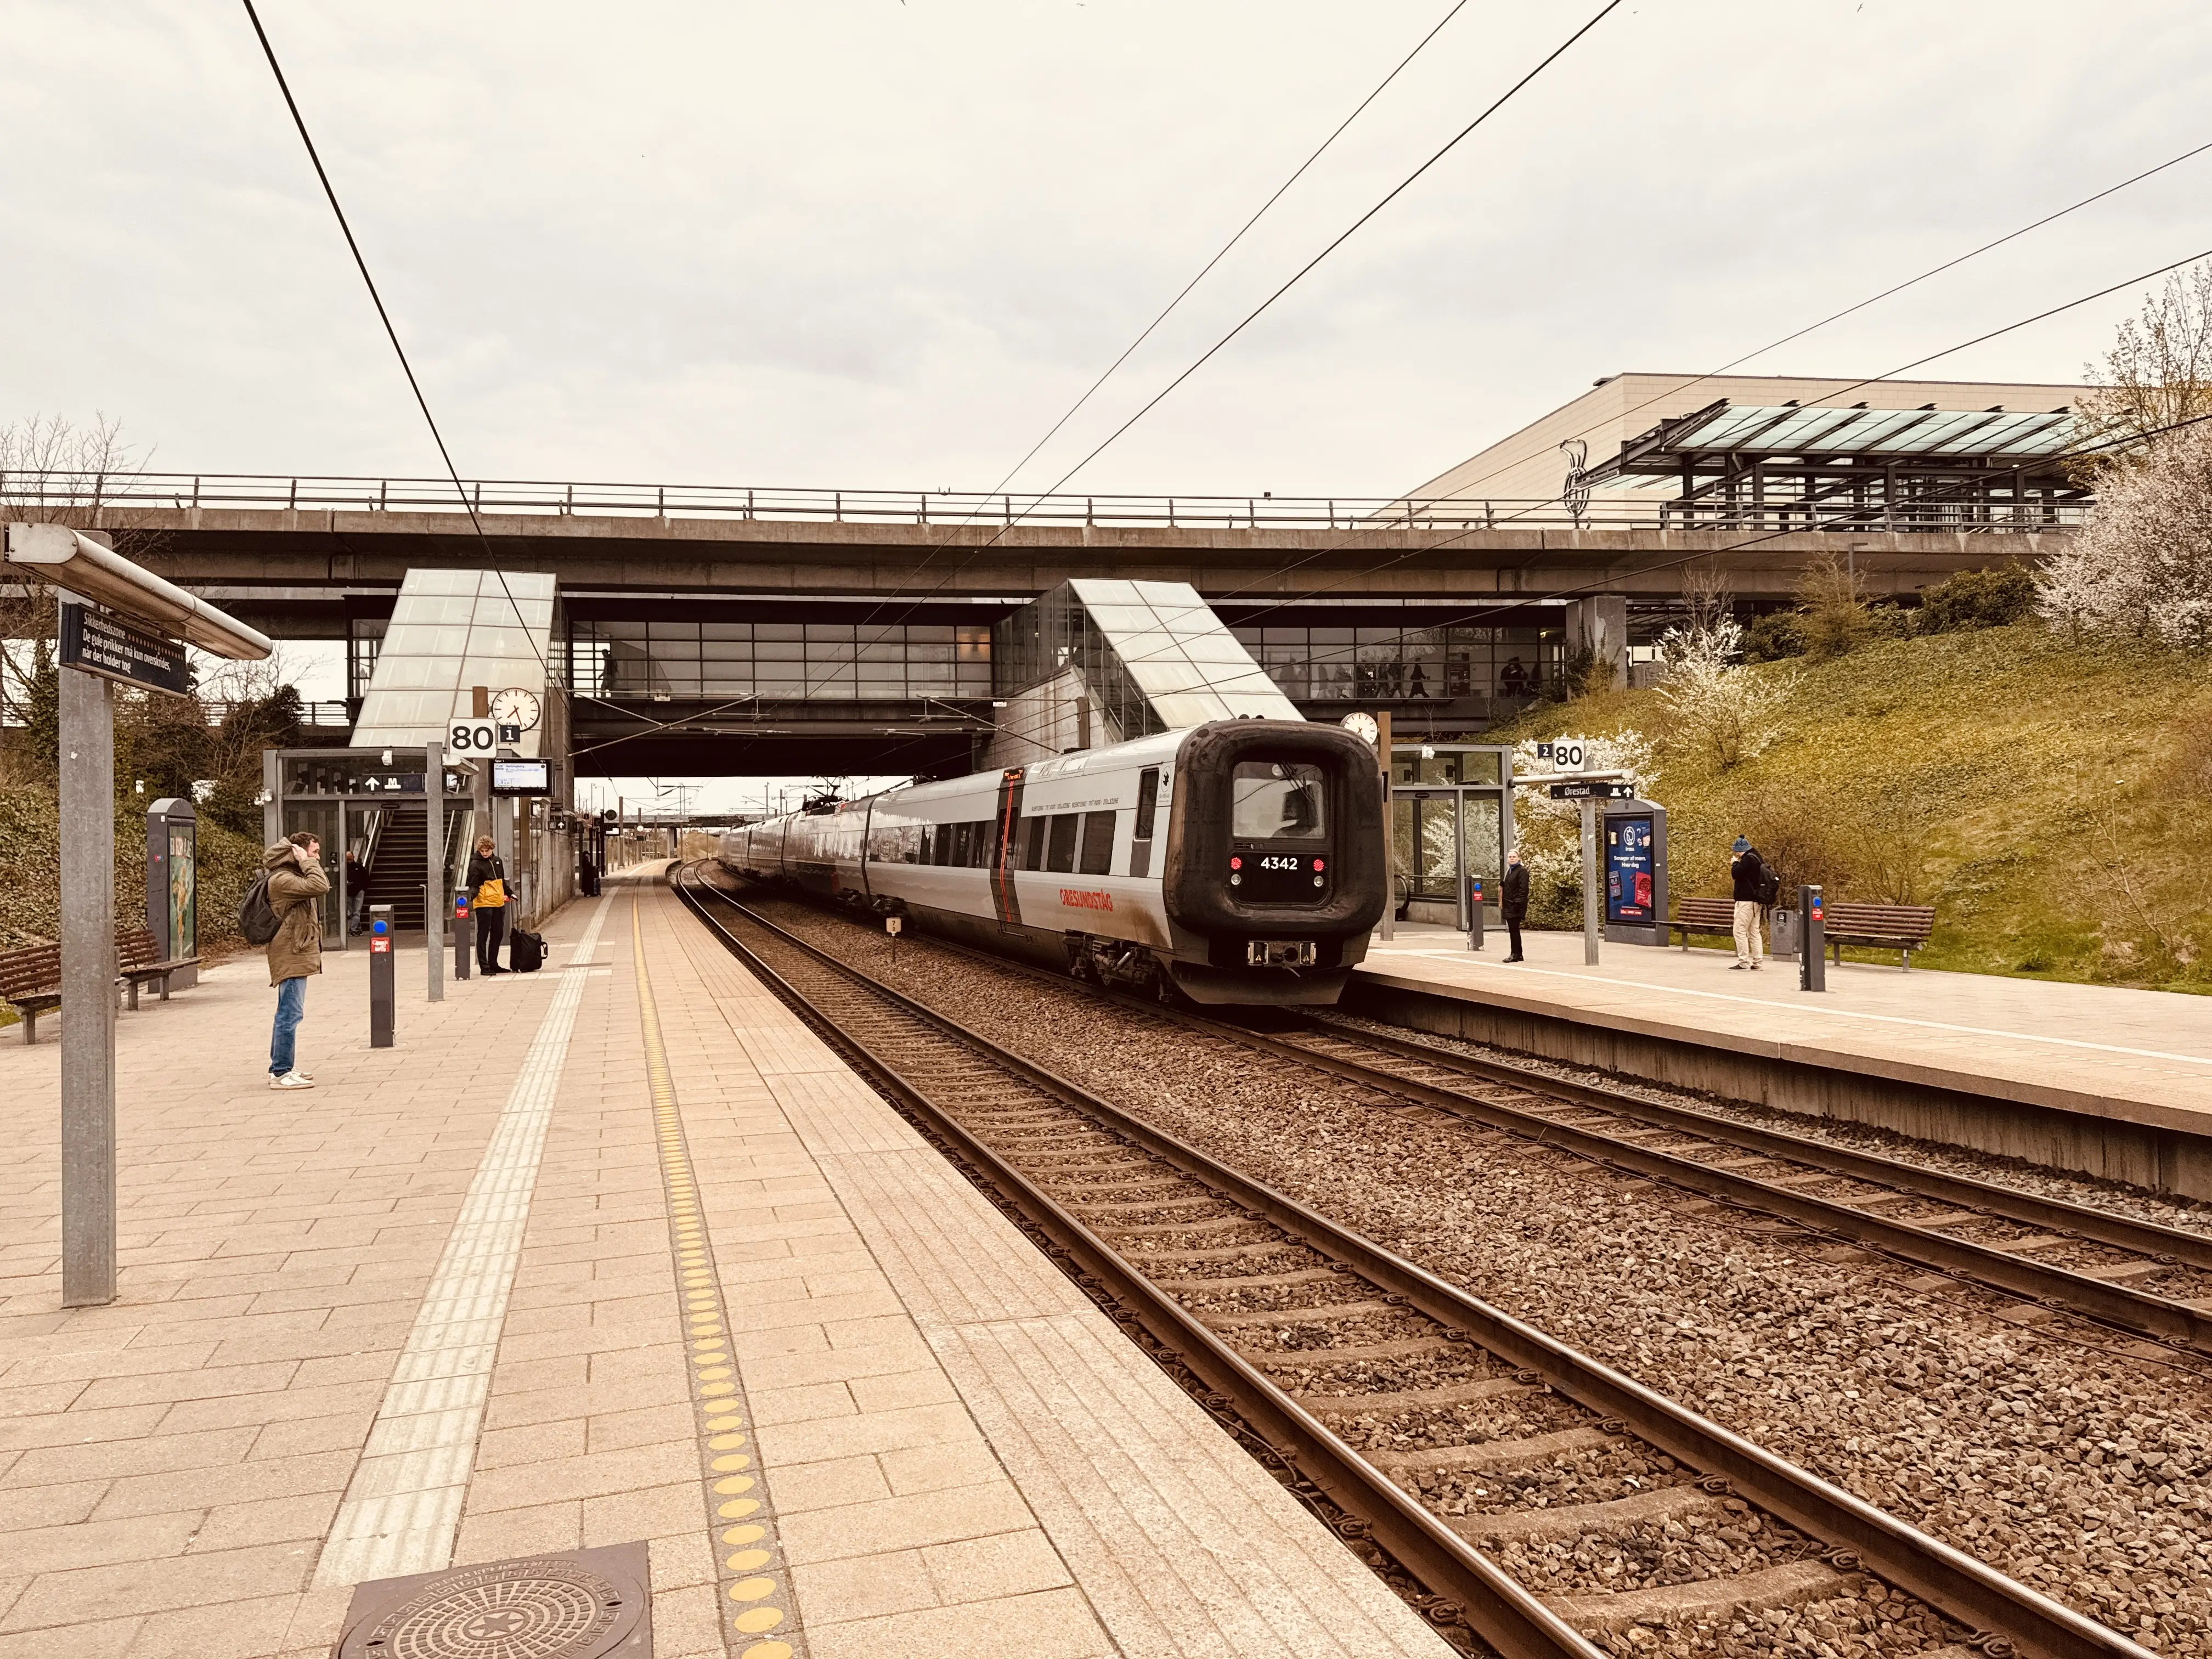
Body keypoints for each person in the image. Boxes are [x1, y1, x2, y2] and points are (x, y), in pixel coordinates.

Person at [265, 831, 328, 1088]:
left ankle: (280, 1067)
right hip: (290, 953)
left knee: (288, 1012)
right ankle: (281, 1072)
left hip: (295, 951)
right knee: (290, 1014)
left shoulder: (291, 876)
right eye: (314, 852)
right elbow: (320, 886)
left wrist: (307, 862)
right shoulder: (283, 880)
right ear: (298, 853)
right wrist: (307, 862)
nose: (318, 857)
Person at [467, 836, 511, 975]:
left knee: (498, 933)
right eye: (482, 850)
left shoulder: (497, 861)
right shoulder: (475, 864)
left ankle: (494, 963)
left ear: (492, 849)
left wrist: (510, 893)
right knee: (483, 935)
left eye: (487, 850)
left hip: (498, 902)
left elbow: (501, 881)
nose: (485, 853)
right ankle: (484, 967)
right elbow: (474, 884)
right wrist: (470, 896)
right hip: (484, 903)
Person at [1729, 834, 1766, 970]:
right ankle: (1758, 962)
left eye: (1736, 851)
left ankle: (1744, 962)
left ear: (1739, 850)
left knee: (1739, 931)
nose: (1735, 853)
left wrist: (1735, 863)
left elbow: (1736, 874)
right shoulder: (1757, 857)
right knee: (1754, 932)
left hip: (1746, 901)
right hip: (1756, 901)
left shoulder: (1747, 860)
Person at [1500, 849, 1530, 963]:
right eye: (1510, 857)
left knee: (1514, 930)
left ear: (1518, 858)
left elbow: (1523, 889)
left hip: (1515, 905)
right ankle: (1519, 954)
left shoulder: (1522, 871)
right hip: (1509, 904)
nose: (1511, 859)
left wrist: (1517, 902)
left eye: (1514, 857)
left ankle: (1514, 954)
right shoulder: (1510, 871)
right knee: (1514, 930)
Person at [343, 848, 368, 935]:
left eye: (350, 859)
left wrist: (363, 889)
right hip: (349, 892)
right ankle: (358, 928)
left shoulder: (359, 867)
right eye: (348, 859)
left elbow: (366, 878)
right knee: (353, 912)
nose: (349, 861)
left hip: (358, 891)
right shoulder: (344, 869)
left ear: (353, 857)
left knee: (356, 911)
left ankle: (353, 929)